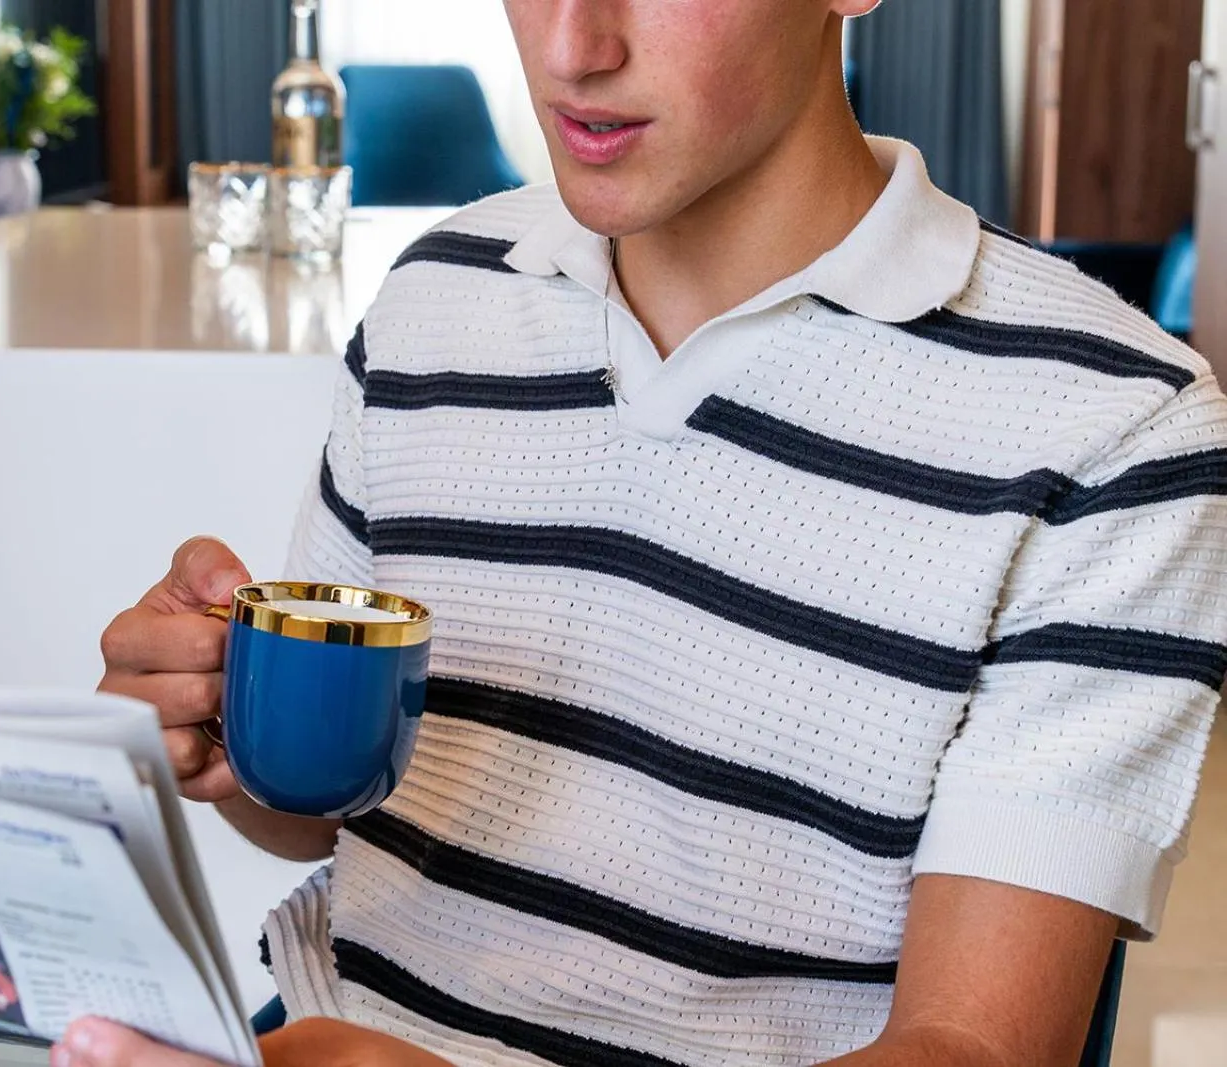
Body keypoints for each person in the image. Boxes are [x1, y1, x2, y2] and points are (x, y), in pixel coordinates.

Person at [82, 2, 1227, 1065]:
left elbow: (969, 1048)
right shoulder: (441, 293)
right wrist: (223, 735)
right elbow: (320, 821)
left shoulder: (1117, 426)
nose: (571, 49)